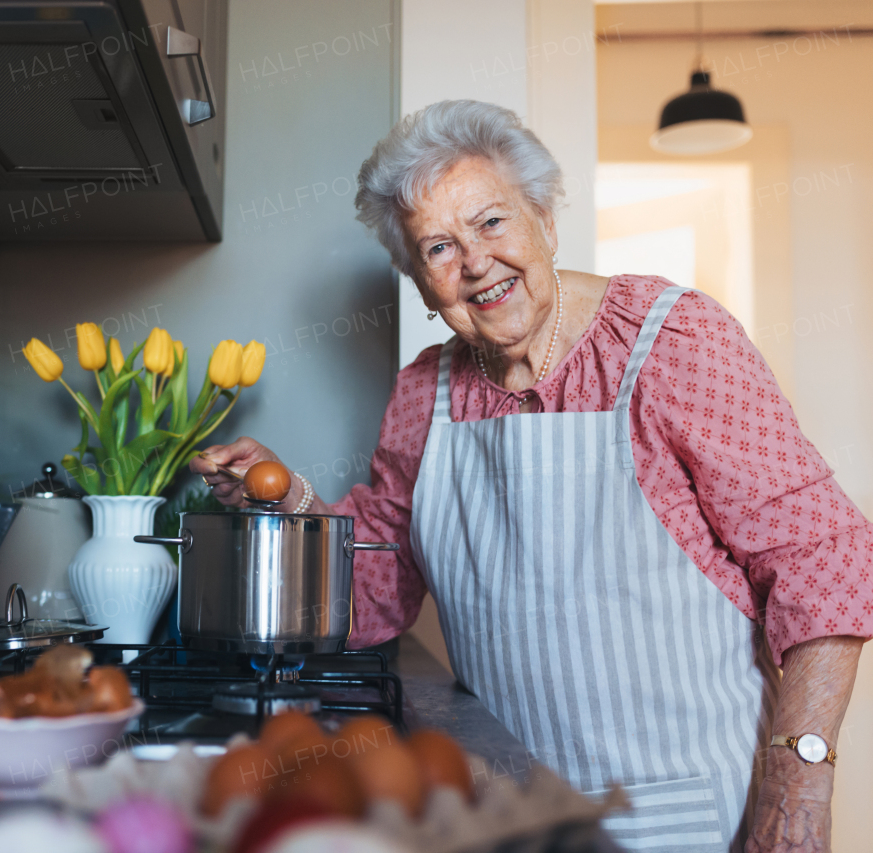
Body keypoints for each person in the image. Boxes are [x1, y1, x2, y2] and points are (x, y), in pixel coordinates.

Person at [192, 100, 870, 853]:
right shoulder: (427, 392)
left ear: (544, 218)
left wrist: (797, 786)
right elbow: (378, 591)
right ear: (420, 283)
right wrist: (289, 502)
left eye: (491, 223)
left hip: (696, 815)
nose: (475, 262)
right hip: (518, 822)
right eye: (438, 248)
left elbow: (825, 558)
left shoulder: (671, 343)